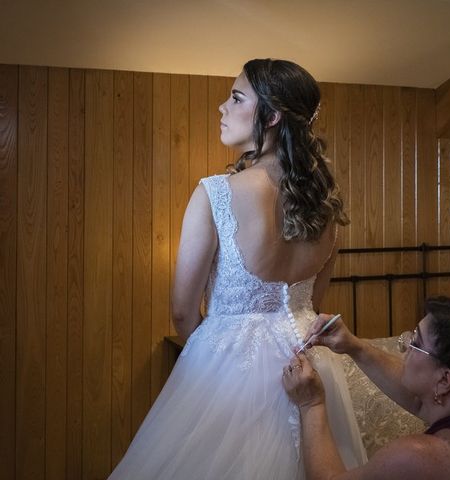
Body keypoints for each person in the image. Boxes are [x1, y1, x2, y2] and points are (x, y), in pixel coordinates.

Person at [109, 58, 367, 479]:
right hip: (307, 366)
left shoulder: (216, 193)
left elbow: (182, 312)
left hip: (227, 372)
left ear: (273, 113)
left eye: (235, 97)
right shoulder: (326, 209)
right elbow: (312, 305)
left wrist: (213, 360)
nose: (221, 108)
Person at [283, 297, 450, 480]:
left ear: (445, 380)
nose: (403, 346)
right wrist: (355, 346)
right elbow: (423, 403)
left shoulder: (416, 456)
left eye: (415, 341)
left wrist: (312, 405)